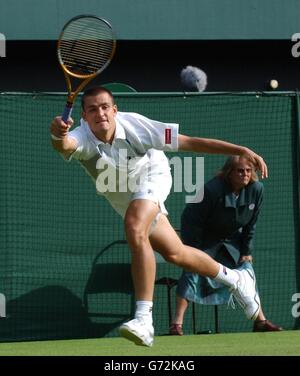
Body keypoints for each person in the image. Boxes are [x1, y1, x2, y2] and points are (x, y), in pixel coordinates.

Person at [50, 86, 268, 347]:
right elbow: (64, 144)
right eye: (93, 109)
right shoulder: (81, 135)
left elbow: (187, 142)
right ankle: (236, 279)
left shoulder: (137, 127)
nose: (101, 114)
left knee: (134, 226)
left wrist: (239, 149)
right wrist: (57, 133)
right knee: (175, 253)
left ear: (115, 110)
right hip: (121, 195)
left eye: (105, 107)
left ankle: (144, 319)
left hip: (154, 175)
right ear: (84, 117)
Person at [170, 156, 282, 335]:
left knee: (246, 270)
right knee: (191, 270)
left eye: (248, 171)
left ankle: (260, 321)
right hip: (204, 239)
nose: (245, 174)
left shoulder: (257, 189)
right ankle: (177, 324)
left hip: (232, 240)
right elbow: (190, 219)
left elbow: (250, 224)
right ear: (229, 173)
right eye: (240, 171)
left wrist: (246, 251)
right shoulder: (211, 189)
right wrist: (194, 249)